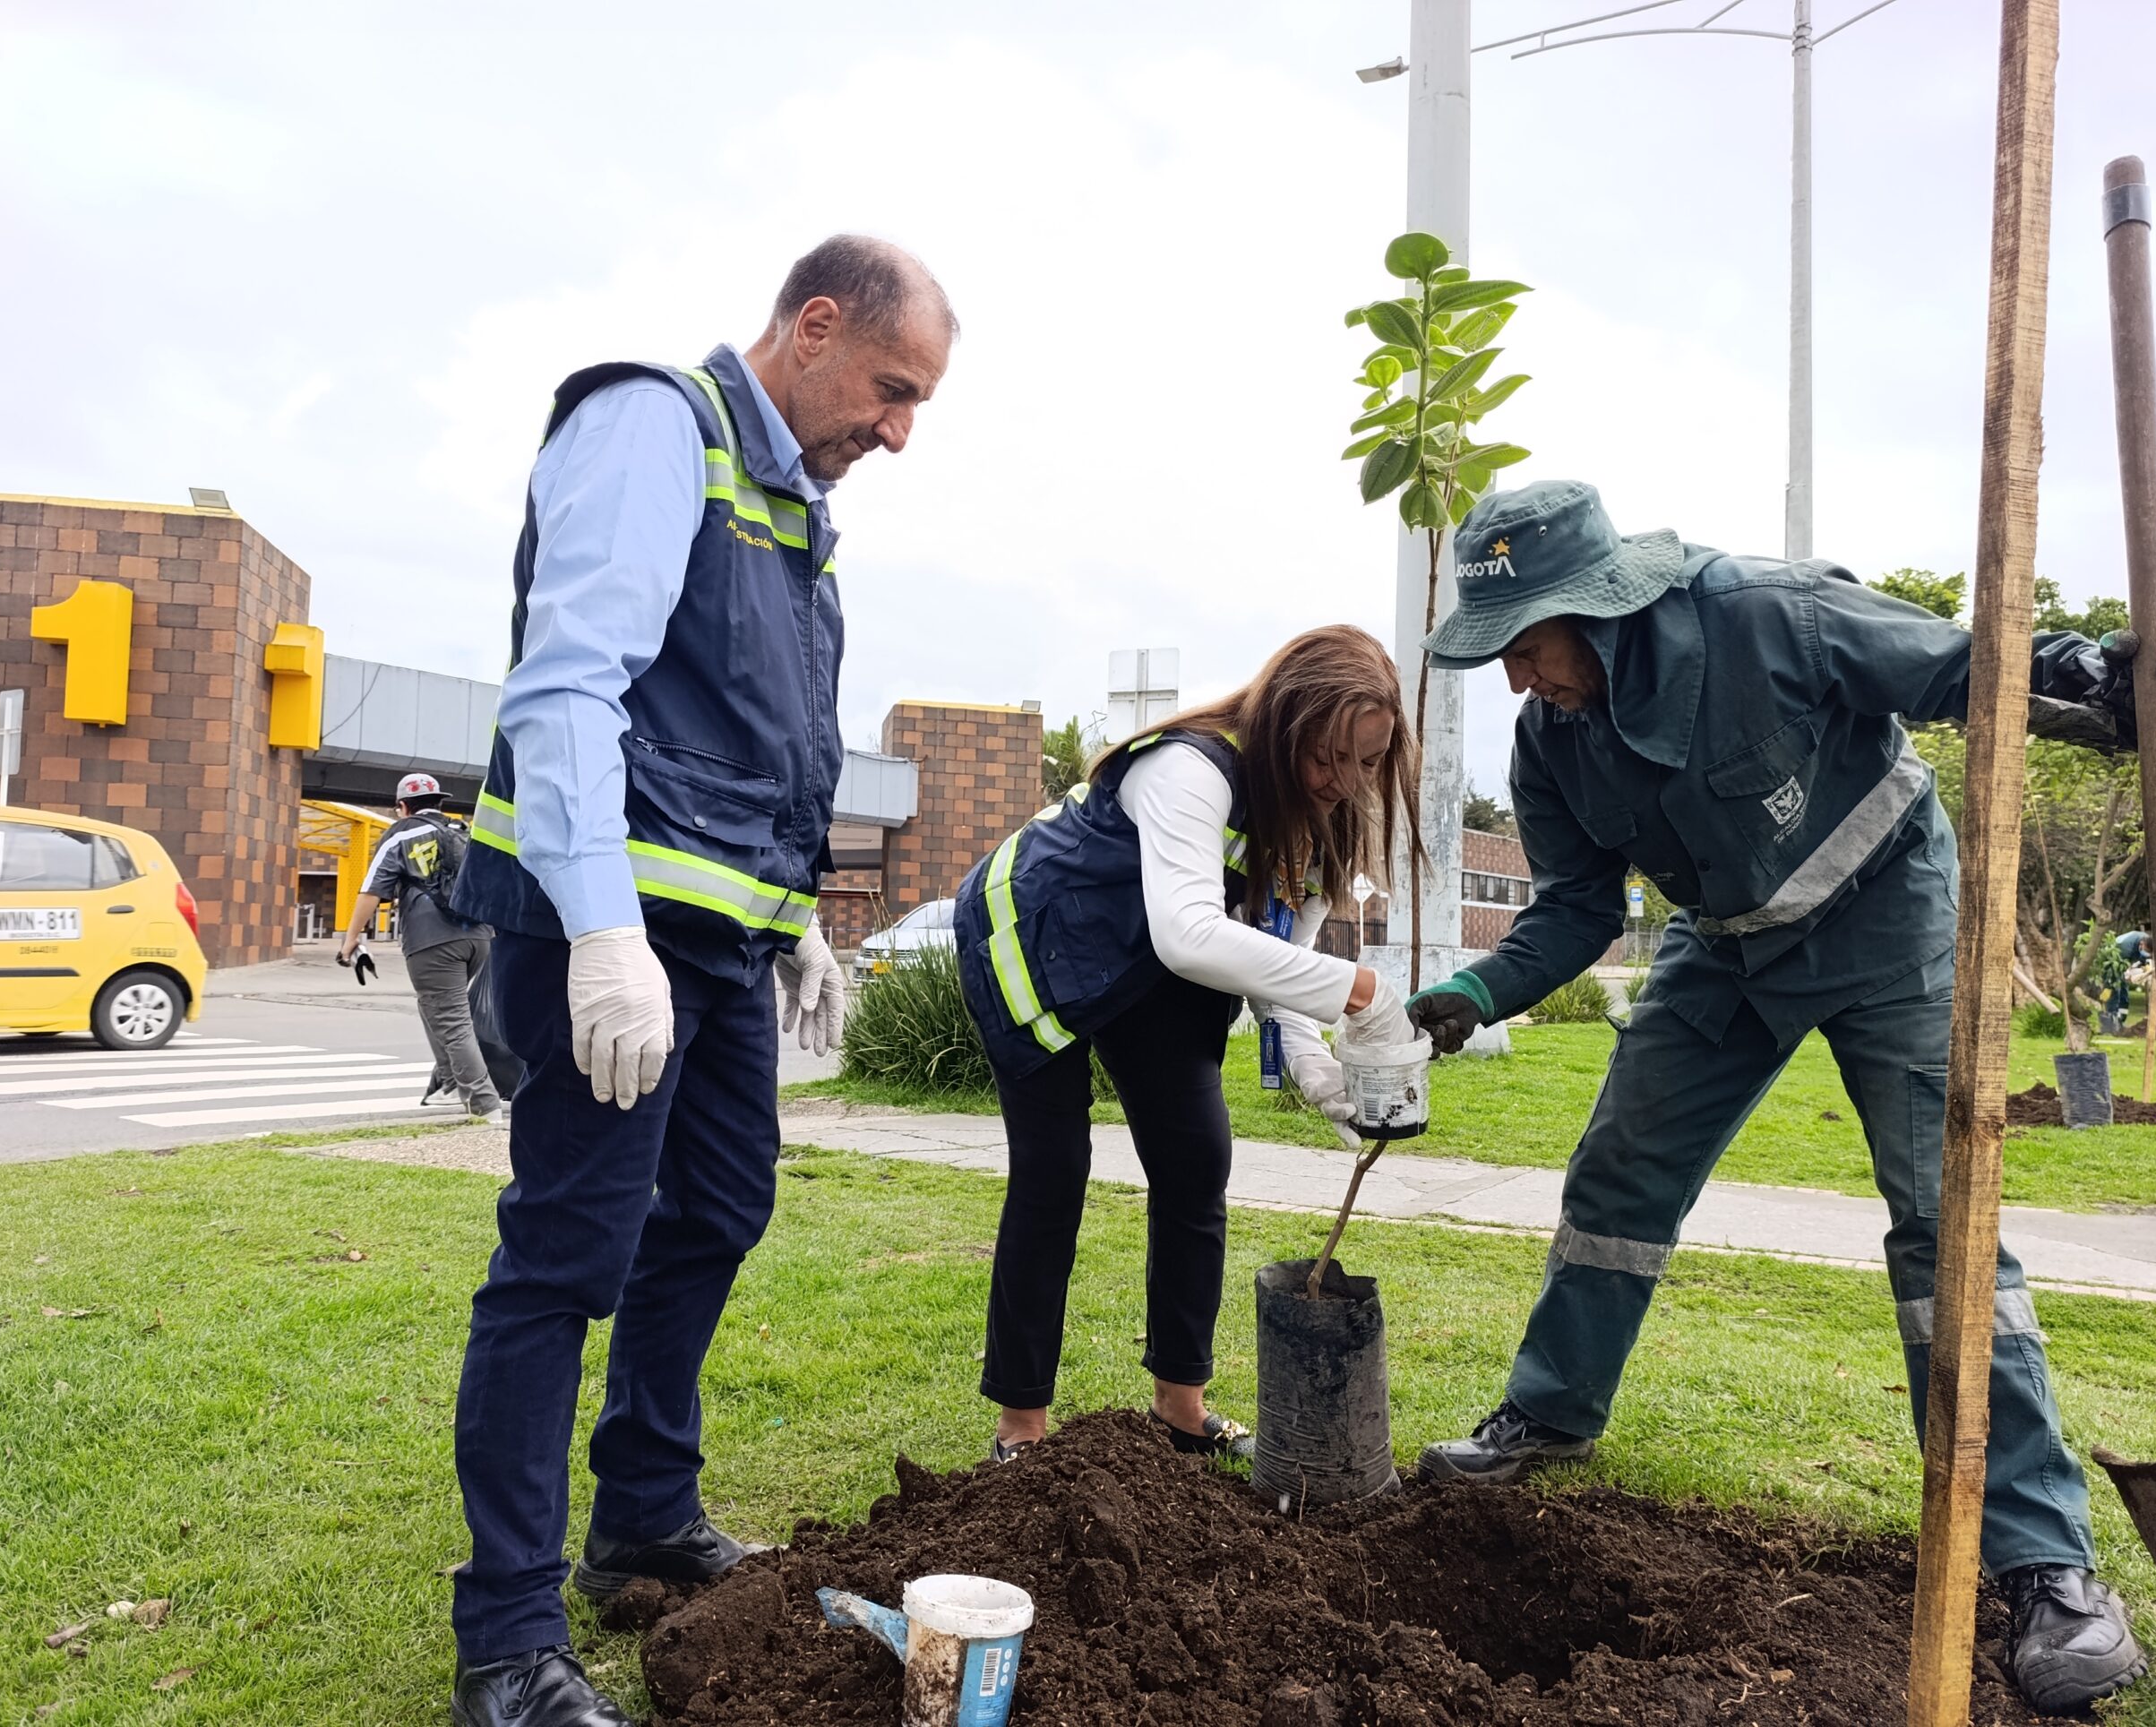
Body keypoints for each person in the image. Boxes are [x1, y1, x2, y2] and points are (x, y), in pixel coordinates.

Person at [1403, 480, 2156, 1716]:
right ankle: (1550, 1414)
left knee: (1944, 1219)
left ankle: (2047, 1564)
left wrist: (2107, 684)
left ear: (1596, 610)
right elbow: (1574, 907)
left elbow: (1963, 670)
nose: (1516, 679)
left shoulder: (1765, 614)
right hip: (1727, 947)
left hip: (1889, 919)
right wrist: (1474, 989)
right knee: (1622, 1168)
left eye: (1525, 645)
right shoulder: (1554, 741)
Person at [443, 236, 955, 1727]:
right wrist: (601, 929)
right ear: (811, 324)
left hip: (723, 942)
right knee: (566, 1256)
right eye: (891, 387)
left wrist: (795, 913)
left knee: (725, 1204)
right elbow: (568, 684)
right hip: (609, 931)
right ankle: (505, 1644)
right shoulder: (656, 425)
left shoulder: (795, 515)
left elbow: (754, 740)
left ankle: (643, 1517)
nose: (900, 428)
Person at [955, 625, 1422, 1465]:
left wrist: (1315, 1065)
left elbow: (1283, 963)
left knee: (1197, 1161)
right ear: (1282, 726)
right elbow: (1189, 935)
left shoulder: (1325, 821)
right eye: (1327, 758)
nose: (1343, 783)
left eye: (1367, 762)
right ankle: (1020, 1429)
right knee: (1054, 1175)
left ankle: (1181, 1405)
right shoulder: (1190, 767)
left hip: (1144, 961)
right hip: (1038, 938)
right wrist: (1364, 991)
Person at [337, 772, 502, 1122]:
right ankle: (448, 1083)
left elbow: (371, 891)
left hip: (432, 941)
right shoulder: (462, 831)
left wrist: (351, 938)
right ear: (439, 803)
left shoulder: (400, 834)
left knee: (452, 1018)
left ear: (402, 807)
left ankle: (483, 1104)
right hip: (479, 936)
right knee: (437, 1008)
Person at [2100, 928, 2152, 1027]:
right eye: (2145, 950)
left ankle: (2121, 1018)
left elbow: (2143, 961)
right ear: (2141, 944)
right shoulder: (2126, 947)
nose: (2146, 953)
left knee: (2124, 989)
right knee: (2113, 988)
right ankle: (2111, 1018)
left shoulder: (2147, 942)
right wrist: (2128, 973)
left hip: (2123, 962)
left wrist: (2144, 969)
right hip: (2112, 960)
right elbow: (2120, 966)